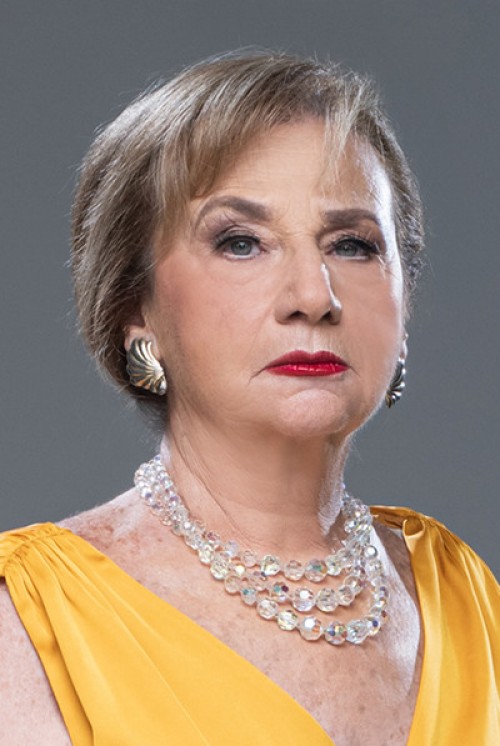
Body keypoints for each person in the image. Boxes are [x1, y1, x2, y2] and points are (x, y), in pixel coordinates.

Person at [0, 51, 498, 746]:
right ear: (135, 309)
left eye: (353, 245)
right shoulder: (30, 620)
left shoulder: (466, 595)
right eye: (241, 243)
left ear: (403, 306)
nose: (314, 296)